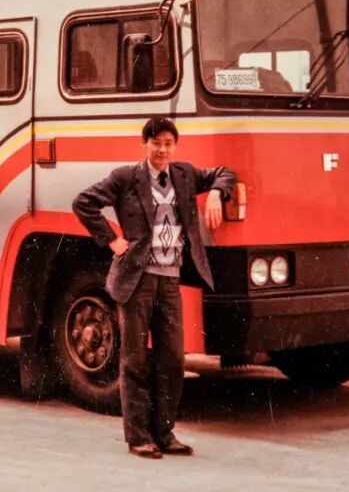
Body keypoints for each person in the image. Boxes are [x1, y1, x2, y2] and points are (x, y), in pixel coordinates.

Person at [72, 116, 236, 459]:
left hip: (170, 280)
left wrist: (217, 194)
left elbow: (225, 172)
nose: (162, 150)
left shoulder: (184, 174)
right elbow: (83, 202)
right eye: (156, 143)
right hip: (137, 280)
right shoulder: (125, 177)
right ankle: (138, 438)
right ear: (144, 144)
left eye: (168, 143)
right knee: (134, 360)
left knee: (173, 359)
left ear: (175, 146)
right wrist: (111, 240)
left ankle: (164, 433)